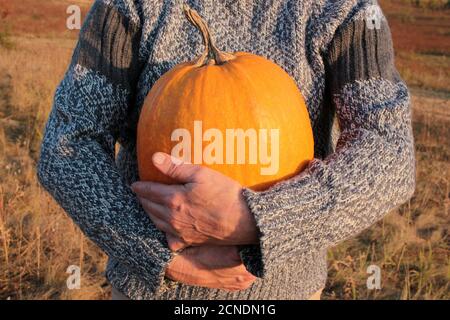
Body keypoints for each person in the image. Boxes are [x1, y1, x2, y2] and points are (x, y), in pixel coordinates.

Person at [37, 0, 415, 300]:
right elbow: (68, 142)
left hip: (287, 292)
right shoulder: (131, 6)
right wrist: (159, 254)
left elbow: (388, 149)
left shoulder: (343, 9)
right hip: (150, 290)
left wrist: (253, 219)